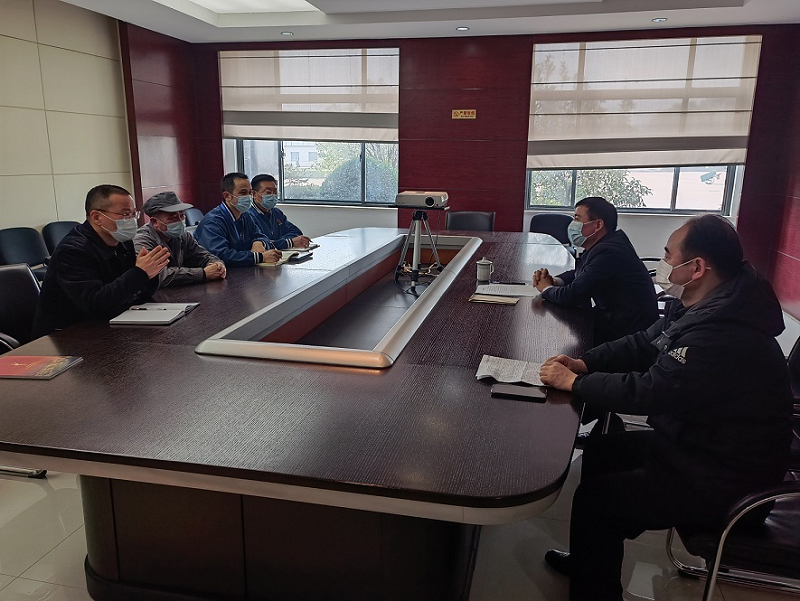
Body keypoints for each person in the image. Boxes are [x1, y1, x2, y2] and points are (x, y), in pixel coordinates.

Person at [539, 214, 793, 601]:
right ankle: (589, 561)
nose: (663, 261)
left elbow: (650, 392)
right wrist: (585, 362)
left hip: (727, 477)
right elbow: (645, 343)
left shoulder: (722, 330)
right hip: (699, 445)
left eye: (668, 254)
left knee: (597, 501)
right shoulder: (707, 304)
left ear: (697, 267)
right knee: (603, 451)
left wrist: (575, 383)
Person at [533, 196, 659, 439]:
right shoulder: (605, 245)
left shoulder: (609, 251)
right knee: (568, 344)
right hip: (617, 321)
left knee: (566, 354)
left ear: (598, 224)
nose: (572, 224)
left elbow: (573, 295)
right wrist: (555, 280)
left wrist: (546, 290)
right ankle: (596, 418)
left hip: (628, 333)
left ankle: (575, 423)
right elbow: (580, 273)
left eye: (577, 218)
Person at [32, 185, 170, 338]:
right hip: (66, 335)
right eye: (125, 214)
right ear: (97, 217)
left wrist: (150, 275)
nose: (132, 220)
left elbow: (134, 293)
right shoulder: (72, 251)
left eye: (133, 214)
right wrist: (140, 273)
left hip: (110, 323)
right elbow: (96, 304)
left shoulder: (123, 241)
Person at [134, 191, 226, 287]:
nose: (180, 221)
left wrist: (217, 265)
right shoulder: (142, 241)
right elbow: (159, 276)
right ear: (155, 222)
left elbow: (202, 255)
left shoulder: (183, 235)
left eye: (182, 215)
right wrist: (202, 273)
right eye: (172, 218)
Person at [195, 172, 281, 266]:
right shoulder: (213, 222)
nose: (249, 197)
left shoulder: (245, 216)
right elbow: (221, 255)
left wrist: (258, 242)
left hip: (242, 270)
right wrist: (260, 257)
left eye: (250, 192)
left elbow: (261, 236)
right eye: (243, 193)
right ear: (227, 196)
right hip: (218, 272)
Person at [249, 174, 312, 249]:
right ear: (254, 194)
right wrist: (287, 242)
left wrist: (278, 242)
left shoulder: (276, 212)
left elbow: (296, 233)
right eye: (268, 192)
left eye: (275, 192)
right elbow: (259, 245)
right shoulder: (248, 216)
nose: (273, 195)